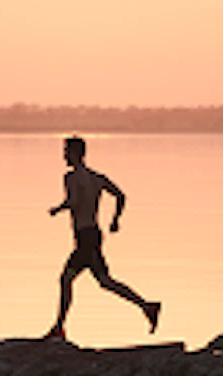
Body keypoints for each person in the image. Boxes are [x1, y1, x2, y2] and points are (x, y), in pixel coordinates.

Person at [46, 134, 160, 341]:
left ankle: (59, 328)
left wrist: (57, 209)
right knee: (105, 281)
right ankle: (147, 306)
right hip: (94, 235)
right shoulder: (96, 178)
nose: (64, 157)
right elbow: (120, 195)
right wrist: (115, 220)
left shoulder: (71, 178)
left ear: (74, 154)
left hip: (85, 238)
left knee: (66, 279)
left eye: (66, 152)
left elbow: (74, 202)